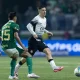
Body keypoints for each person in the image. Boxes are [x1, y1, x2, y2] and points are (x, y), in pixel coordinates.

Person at [15, 5, 64, 78]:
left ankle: (54, 67)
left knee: (48, 51)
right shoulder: (36, 18)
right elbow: (28, 26)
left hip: (40, 39)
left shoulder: (45, 19)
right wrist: (34, 33)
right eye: (43, 10)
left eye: (45, 10)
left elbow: (41, 28)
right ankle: (16, 68)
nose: (44, 12)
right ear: (39, 11)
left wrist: (47, 32)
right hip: (33, 40)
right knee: (28, 57)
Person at [1, 12, 31, 79]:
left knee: (14, 58)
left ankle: (12, 75)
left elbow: (1, 37)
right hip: (11, 47)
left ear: (8, 18)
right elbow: (16, 36)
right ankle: (30, 73)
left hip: (4, 47)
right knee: (28, 54)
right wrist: (23, 47)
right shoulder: (15, 25)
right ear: (15, 18)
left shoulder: (4, 26)